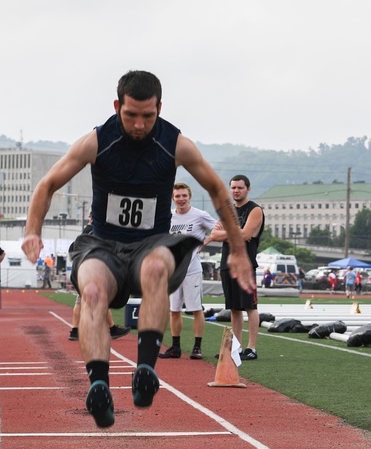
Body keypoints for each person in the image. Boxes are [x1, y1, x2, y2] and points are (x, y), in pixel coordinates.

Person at [21, 70, 254, 428]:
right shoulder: (96, 142)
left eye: (148, 115)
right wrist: (31, 231)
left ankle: (145, 369)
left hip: (151, 244)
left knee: (156, 270)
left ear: (160, 108)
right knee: (93, 290)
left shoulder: (176, 144)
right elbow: (48, 184)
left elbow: (218, 190)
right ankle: (98, 384)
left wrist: (237, 250)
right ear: (117, 107)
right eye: (131, 115)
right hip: (102, 244)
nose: (140, 124)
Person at [159, 182, 216, 360]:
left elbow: (220, 229)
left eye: (184, 195)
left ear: (189, 196)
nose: (181, 199)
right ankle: (175, 347)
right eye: (177, 196)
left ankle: (197, 347)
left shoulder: (200, 215)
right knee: (174, 310)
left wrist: (204, 242)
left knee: (196, 308)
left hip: (192, 270)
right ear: (173, 198)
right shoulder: (167, 217)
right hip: (173, 272)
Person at [209, 174, 263, 361]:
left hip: (245, 264)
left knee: (250, 306)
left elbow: (247, 234)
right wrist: (232, 233)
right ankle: (236, 348)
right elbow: (214, 235)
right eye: (233, 187)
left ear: (248, 188)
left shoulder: (255, 210)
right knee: (234, 308)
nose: (236, 191)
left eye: (240, 187)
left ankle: (252, 348)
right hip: (226, 263)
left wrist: (225, 233)